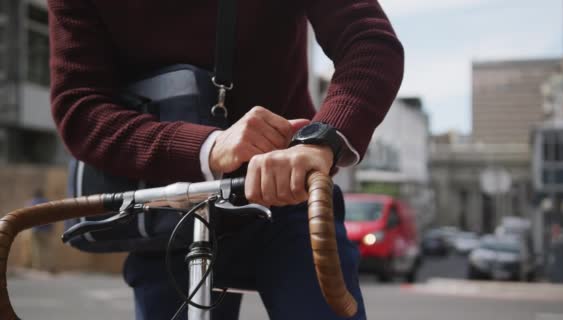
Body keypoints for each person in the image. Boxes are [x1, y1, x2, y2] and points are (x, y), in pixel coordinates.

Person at [48, 1, 404, 319]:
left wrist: (320, 142)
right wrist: (209, 146)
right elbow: (80, 108)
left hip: (285, 187)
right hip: (169, 204)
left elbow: (368, 42)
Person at [28, 189, 54, 273]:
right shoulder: (47, 202)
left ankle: (37, 268)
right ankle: (48, 267)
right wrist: (51, 228)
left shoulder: (32, 203)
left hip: (35, 229)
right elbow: (52, 216)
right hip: (45, 230)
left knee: (36, 249)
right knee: (47, 249)